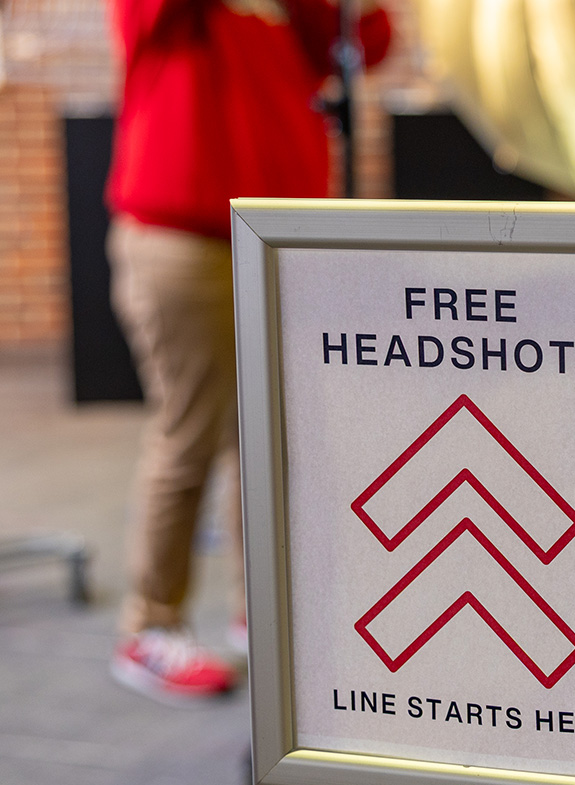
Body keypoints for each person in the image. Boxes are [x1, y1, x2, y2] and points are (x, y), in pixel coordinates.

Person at [105, 0, 391, 703]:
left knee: (273, 439)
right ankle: (150, 626)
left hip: (279, 234)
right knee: (191, 435)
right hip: (186, 239)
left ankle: (258, 612)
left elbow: (364, 44)